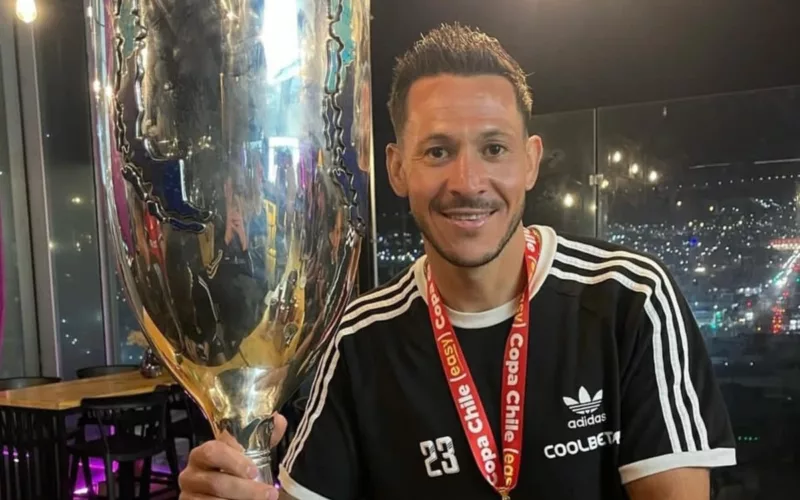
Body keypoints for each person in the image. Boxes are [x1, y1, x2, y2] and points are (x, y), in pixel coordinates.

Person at [178, 23, 736, 500]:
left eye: (494, 148)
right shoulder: (356, 340)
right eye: (438, 151)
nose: (468, 183)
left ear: (530, 161)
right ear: (397, 169)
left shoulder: (628, 299)